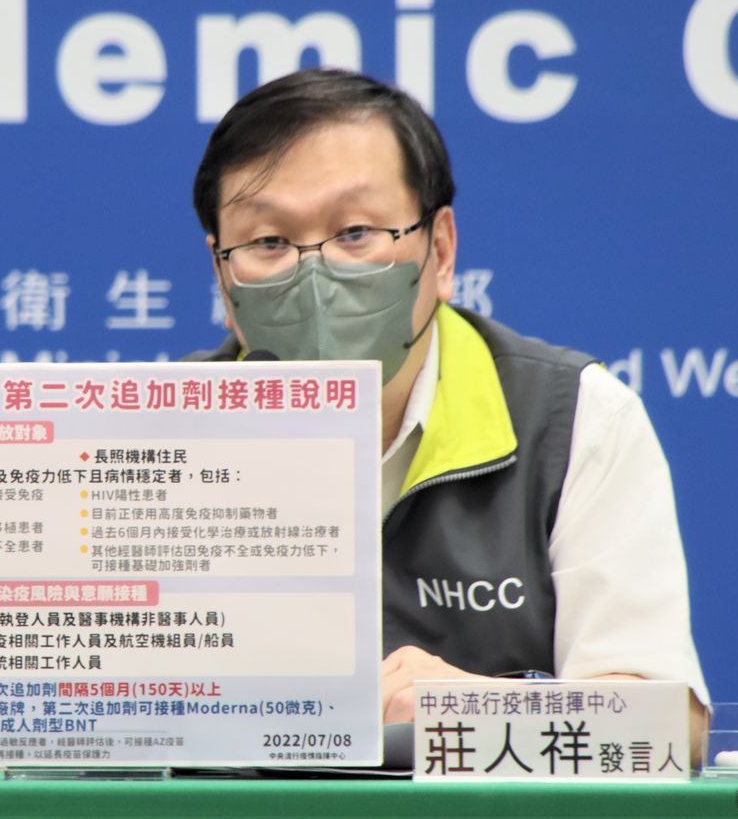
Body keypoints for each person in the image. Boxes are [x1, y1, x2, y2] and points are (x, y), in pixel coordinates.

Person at [187, 68, 709, 753]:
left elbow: (671, 727)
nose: (315, 275)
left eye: (356, 232)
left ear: (439, 249)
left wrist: (472, 711)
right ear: (223, 276)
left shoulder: (575, 420)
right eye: (268, 242)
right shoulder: (153, 438)